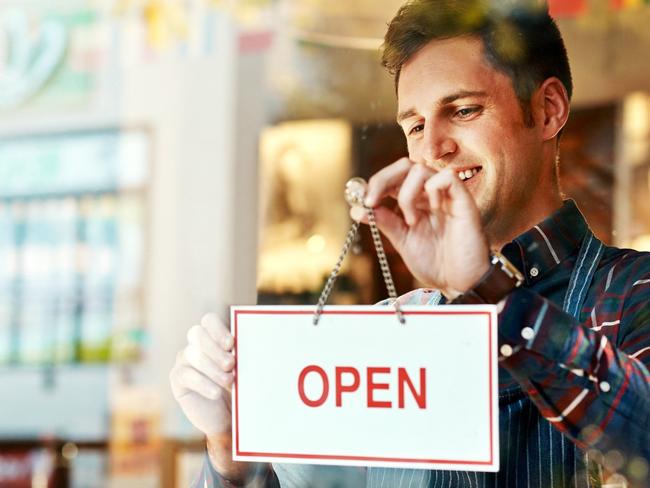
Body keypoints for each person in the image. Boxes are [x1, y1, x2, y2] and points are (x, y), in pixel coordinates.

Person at [169, 0, 650, 486]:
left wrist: (488, 290)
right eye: (415, 126)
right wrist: (231, 454)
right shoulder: (385, 341)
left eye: (463, 110)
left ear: (548, 111)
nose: (433, 147)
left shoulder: (633, 293)